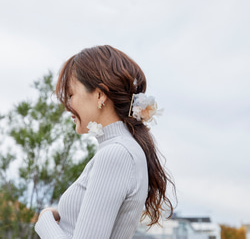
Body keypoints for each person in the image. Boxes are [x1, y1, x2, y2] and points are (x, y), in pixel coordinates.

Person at [35, 45, 176, 239]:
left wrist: (44, 222)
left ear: (100, 95)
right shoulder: (120, 150)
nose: (67, 106)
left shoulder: (117, 154)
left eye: (70, 95)